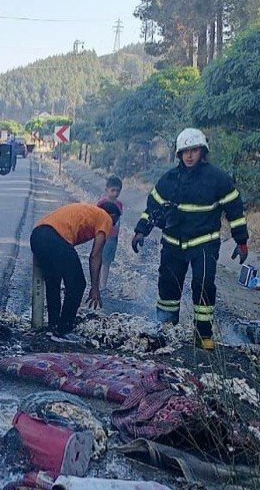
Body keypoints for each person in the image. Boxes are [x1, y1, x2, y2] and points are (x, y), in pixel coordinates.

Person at [130, 128, 248, 350]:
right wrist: (140, 231)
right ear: (179, 154)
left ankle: (203, 335)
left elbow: (235, 210)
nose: (190, 156)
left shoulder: (217, 178)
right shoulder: (169, 179)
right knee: (168, 286)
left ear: (202, 151)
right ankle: (165, 329)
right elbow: (152, 208)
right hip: (173, 243)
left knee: (203, 285)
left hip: (204, 243)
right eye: (185, 151)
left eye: (194, 150)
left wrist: (241, 241)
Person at [30, 201, 121, 341]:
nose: (112, 226)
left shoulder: (88, 211)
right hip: (54, 237)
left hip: (37, 235)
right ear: (112, 215)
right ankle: (64, 329)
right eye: (114, 222)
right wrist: (95, 288)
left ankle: (53, 327)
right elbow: (95, 256)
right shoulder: (105, 217)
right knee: (78, 284)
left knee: (53, 281)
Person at [96, 176, 125, 292]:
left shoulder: (119, 204)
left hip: (113, 237)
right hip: (103, 235)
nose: (115, 193)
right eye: (113, 190)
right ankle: (97, 283)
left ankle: (103, 285)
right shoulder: (102, 203)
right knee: (98, 258)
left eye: (118, 191)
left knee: (107, 261)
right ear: (107, 190)